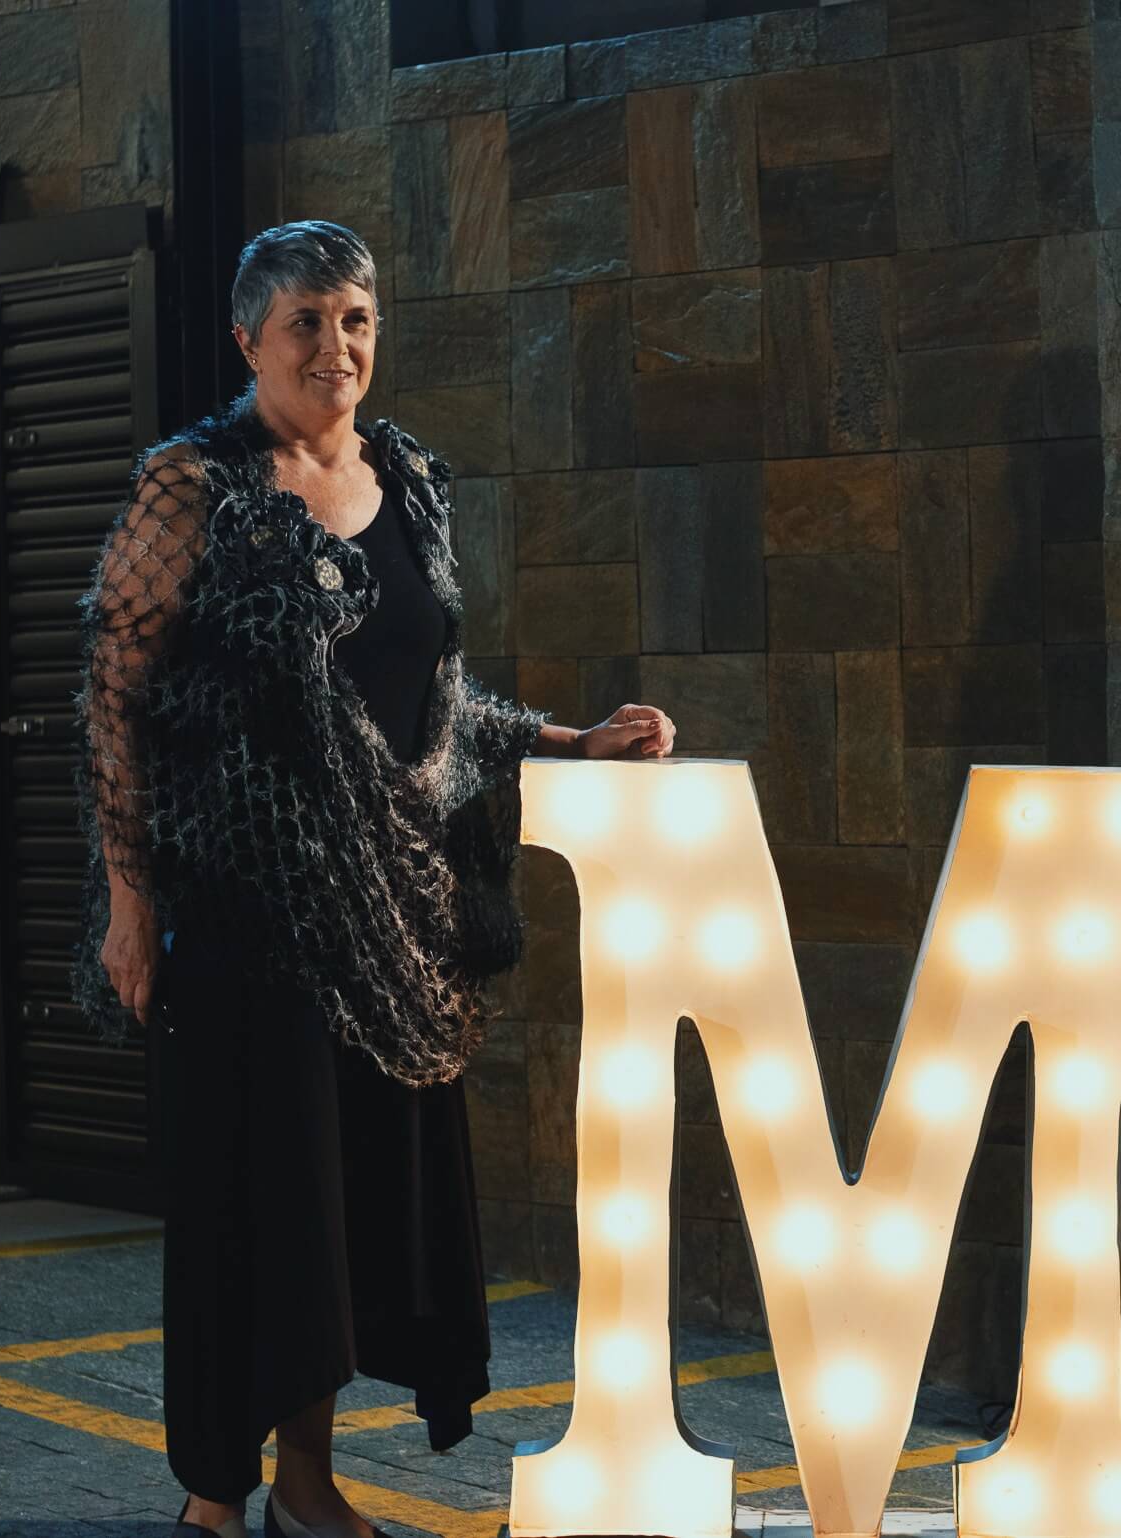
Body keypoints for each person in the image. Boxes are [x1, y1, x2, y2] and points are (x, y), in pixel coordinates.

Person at [69, 220, 677, 1538]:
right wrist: (129, 898)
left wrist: (567, 739)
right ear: (250, 339)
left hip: (385, 926)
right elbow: (115, 693)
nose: (336, 345)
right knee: (252, 1207)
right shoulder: (194, 484)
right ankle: (213, 1499)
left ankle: (305, 1485)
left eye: (356, 318)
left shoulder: (405, 480)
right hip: (241, 915)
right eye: (307, 321)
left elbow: (431, 701)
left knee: (334, 1218)